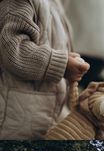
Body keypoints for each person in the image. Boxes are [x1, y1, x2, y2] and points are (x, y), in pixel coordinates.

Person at [0, 0, 90, 140]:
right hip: (17, 119)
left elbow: (54, 43)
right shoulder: (19, 2)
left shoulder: (55, 4)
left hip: (47, 115)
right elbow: (14, 51)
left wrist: (67, 58)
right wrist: (62, 64)